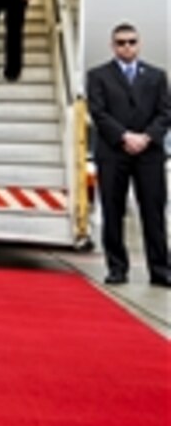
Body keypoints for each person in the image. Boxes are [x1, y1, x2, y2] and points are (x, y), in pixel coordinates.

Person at [86, 23, 170, 287]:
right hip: (113, 152)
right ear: (113, 46)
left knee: (153, 213)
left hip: (149, 154)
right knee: (113, 211)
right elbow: (98, 113)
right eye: (121, 43)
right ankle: (117, 268)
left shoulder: (157, 76)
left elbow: (165, 112)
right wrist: (125, 136)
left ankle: (160, 269)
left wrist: (146, 138)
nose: (127, 47)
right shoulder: (98, 75)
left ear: (139, 44)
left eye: (131, 42)